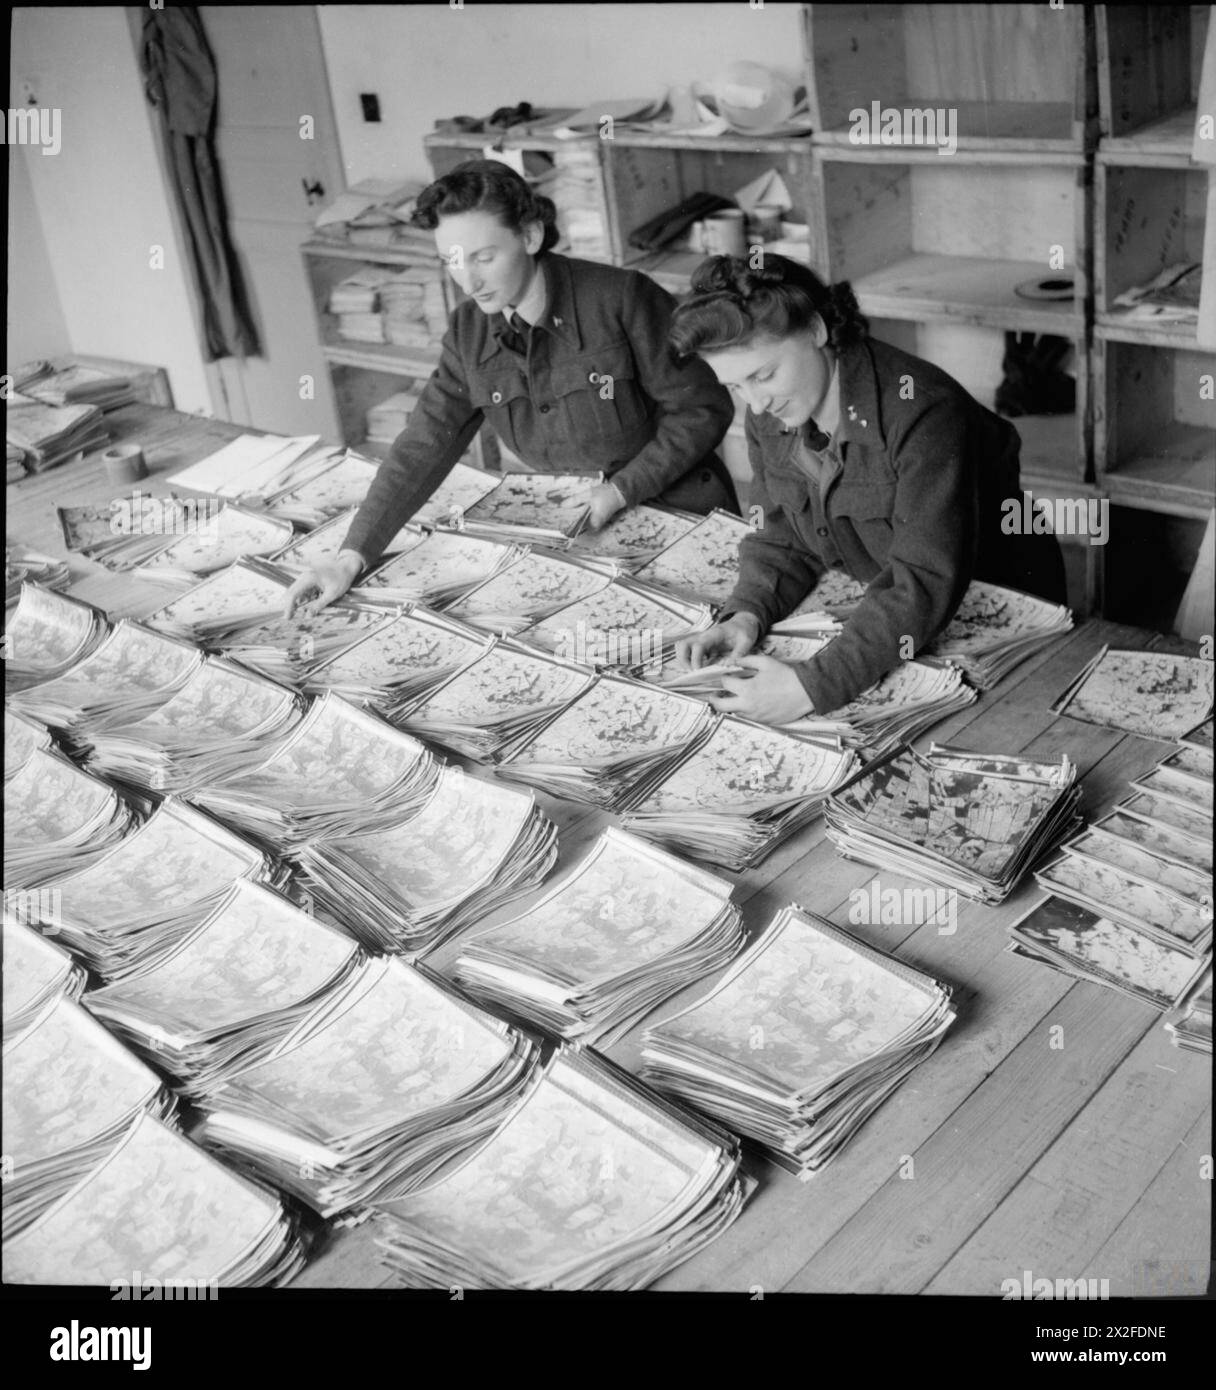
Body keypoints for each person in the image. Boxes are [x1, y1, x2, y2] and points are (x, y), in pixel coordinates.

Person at [285, 159, 737, 616]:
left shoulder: (621, 298)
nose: (469, 280)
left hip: (681, 512)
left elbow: (704, 408)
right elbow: (423, 445)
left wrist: (622, 490)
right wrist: (351, 557)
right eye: (453, 261)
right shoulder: (469, 331)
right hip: (578, 529)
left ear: (530, 236)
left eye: (484, 257)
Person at [671, 253, 1067, 724]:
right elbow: (782, 536)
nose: (755, 402)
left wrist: (810, 687)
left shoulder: (922, 410)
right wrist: (746, 613)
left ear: (816, 331)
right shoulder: (770, 413)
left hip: (1000, 612)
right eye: (735, 387)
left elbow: (921, 579)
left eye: (763, 374)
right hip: (896, 615)